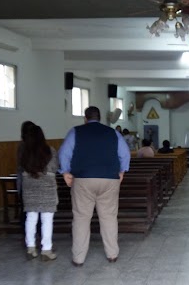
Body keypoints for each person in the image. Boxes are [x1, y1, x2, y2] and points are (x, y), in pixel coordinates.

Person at [58, 106, 131, 266]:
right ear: (100, 118)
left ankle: (78, 258)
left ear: (85, 118)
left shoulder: (75, 132)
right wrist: (122, 171)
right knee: (109, 217)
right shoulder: (113, 133)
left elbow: (64, 153)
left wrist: (65, 172)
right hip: (109, 179)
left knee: (81, 218)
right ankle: (112, 254)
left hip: (83, 179)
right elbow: (125, 153)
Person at [19, 125, 59, 261]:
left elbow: (21, 167)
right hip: (47, 185)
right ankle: (46, 250)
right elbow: (54, 167)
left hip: (29, 185)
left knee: (31, 217)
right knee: (47, 219)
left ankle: (30, 248)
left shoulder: (24, 151)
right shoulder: (50, 150)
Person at [16, 120, 36, 233]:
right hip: (29, 179)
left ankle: (27, 232)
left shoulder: (22, 146)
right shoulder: (25, 146)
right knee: (29, 208)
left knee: (26, 207)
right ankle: (30, 231)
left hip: (24, 179)